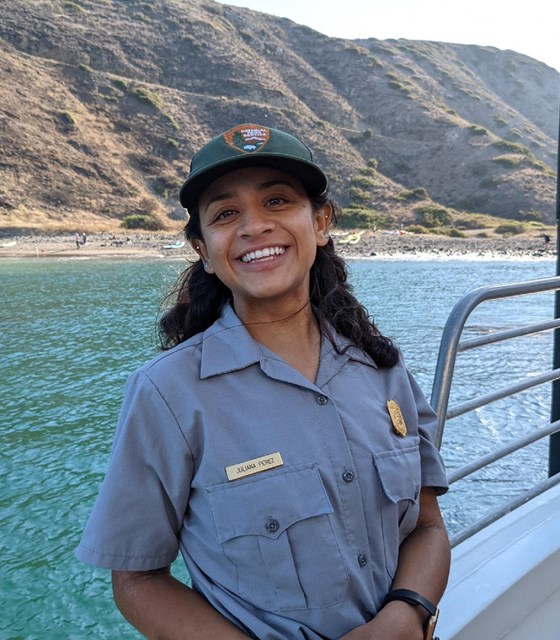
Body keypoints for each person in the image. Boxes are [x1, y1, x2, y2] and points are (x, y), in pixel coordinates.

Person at [76, 123, 450, 640]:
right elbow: (138, 578)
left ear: (320, 223)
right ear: (203, 249)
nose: (254, 226)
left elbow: (428, 528)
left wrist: (406, 614)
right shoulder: (167, 393)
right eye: (226, 214)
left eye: (277, 201)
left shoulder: (384, 371)